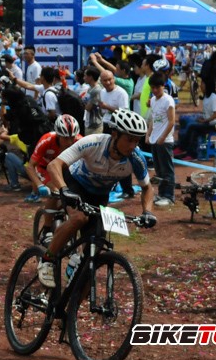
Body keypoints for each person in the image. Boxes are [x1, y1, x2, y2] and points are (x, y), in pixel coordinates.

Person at [37, 109, 156, 288]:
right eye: (129, 139)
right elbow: (55, 165)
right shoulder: (93, 143)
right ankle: (47, 260)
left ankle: (70, 305)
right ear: (114, 134)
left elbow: (147, 187)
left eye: (136, 140)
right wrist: (64, 190)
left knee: (96, 246)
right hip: (75, 184)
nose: (133, 145)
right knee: (79, 218)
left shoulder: (136, 158)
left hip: (100, 195)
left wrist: (147, 212)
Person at [147, 73, 176, 207]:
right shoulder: (153, 100)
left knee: (167, 170)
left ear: (163, 86)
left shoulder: (168, 100)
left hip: (165, 141)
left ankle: (169, 196)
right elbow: (153, 119)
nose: (154, 90)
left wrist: (163, 137)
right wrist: (149, 134)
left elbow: (171, 121)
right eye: (152, 88)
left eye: (157, 87)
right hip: (155, 140)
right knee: (159, 170)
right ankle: (161, 193)